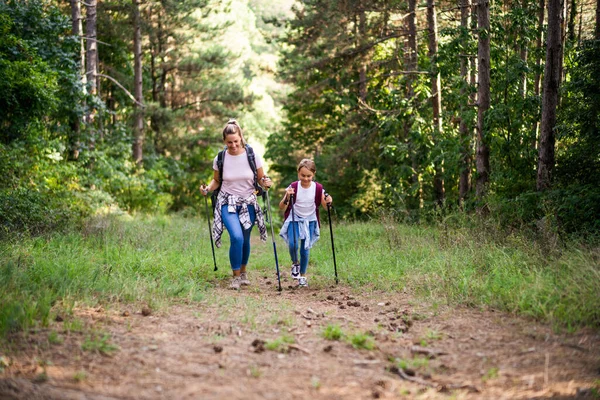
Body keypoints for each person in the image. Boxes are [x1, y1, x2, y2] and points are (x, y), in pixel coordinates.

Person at [200, 119, 272, 290]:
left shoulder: (252, 155)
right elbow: (216, 181)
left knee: (245, 239)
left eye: (236, 141)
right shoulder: (220, 157)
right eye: (229, 142)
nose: (233, 145)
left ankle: (244, 272)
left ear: (241, 138)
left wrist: (266, 183)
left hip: (248, 201)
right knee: (236, 237)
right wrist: (207, 189)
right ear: (224, 141)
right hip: (227, 201)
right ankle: (235, 276)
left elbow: (261, 179)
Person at [278, 159, 332, 288]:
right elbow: (281, 207)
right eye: (303, 175)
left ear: (313, 174)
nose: (306, 179)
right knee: (293, 243)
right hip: (294, 218)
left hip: (310, 219)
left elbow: (326, 207)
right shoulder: (293, 187)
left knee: (305, 249)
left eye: (309, 176)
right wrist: (287, 196)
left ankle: (302, 276)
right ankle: (295, 263)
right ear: (298, 174)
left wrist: (329, 201)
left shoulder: (318, 188)